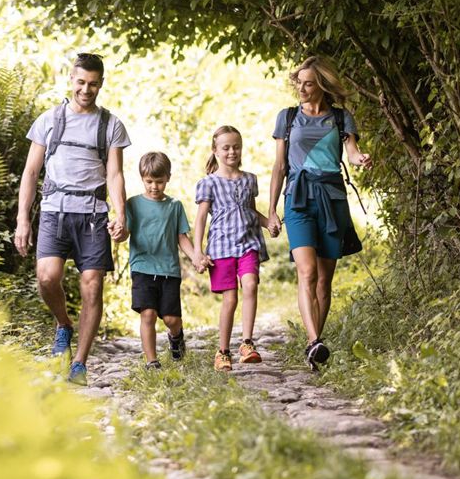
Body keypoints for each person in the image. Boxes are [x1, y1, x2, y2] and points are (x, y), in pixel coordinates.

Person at [14, 53, 130, 386]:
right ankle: (63, 324)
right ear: (71, 79)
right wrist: (23, 220)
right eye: (81, 82)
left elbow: (115, 174)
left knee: (92, 286)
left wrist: (120, 214)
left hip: (93, 217)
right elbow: (31, 172)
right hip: (54, 212)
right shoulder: (49, 120)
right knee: (47, 278)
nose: (86, 89)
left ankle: (79, 363)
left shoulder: (111, 125)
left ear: (101, 84)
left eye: (93, 84)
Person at [266, 56, 373, 370]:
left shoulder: (340, 119)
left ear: (322, 85)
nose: (301, 87)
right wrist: (271, 210)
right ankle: (314, 341)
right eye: (298, 81)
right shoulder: (287, 119)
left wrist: (361, 158)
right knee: (307, 272)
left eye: (308, 82)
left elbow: (351, 153)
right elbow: (279, 166)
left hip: (332, 199)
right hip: (298, 199)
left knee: (325, 281)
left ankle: (316, 346)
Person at [193, 126, 278, 372]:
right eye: (226, 147)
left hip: (248, 242)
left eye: (236, 146)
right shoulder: (208, 183)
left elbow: (250, 210)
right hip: (220, 248)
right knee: (230, 299)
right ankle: (222, 352)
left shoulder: (250, 179)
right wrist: (198, 252)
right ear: (216, 150)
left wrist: (268, 223)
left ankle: (247, 343)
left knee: (251, 285)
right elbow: (200, 219)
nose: (232, 152)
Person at [125, 151, 208, 370]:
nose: (154, 186)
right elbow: (124, 232)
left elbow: (182, 238)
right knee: (148, 314)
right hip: (142, 267)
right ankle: (151, 361)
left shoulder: (175, 206)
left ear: (168, 178)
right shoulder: (132, 204)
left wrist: (196, 258)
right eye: (149, 181)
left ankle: (176, 336)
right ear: (142, 178)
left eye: (159, 181)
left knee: (171, 319)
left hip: (169, 270)